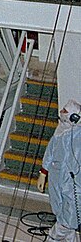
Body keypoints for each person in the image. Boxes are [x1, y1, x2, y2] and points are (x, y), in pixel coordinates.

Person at [38, 99, 81, 242]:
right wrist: (43, 173)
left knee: (69, 217)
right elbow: (50, 152)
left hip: (72, 183)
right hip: (56, 178)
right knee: (60, 211)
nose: (61, 113)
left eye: (65, 111)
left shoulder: (78, 135)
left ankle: (52, 238)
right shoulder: (59, 131)